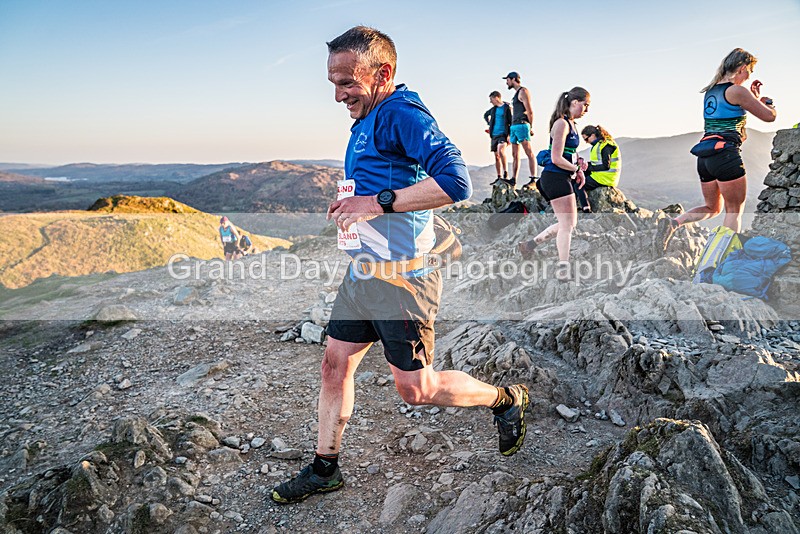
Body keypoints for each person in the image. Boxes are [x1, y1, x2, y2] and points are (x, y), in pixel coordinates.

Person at [271, 26, 530, 505]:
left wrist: (378, 202)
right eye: (333, 83)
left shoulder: (402, 113)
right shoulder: (369, 115)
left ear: (383, 73)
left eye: (347, 82)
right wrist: (352, 205)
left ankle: (505, 399)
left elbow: (456, 184)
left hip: (404, 279)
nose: (338, 95)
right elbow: (379, 185)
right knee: (334, 366)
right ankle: (325, 468)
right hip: (363, 273)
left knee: (416, 389)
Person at [657, 48, 776, 249]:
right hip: (725, 155)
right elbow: (769, 117)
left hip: (705, 157)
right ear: (743, 68)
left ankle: (674, 223)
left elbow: (735, 124)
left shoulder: (711, 92)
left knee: (713, 207)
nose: (748, 77)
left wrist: (753, 98)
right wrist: (768, 103)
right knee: (734, 211)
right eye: (749, 72)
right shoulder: (737, 90)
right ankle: (723, 256)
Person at [517, 87, 591, 280]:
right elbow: (556, 157)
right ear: (574, 102)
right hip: (554, 177)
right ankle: (563, 270)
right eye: (585, 105)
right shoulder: (561, 124)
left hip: (561, 177)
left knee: (567, 223)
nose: (586, 110)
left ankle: (529, 245)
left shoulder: (571, 124)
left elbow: (567, 153)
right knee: (567, 225)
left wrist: (579, 166)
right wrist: (576, 170)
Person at [572, 125, 621, 213]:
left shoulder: (606, 145)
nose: (586, 142)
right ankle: (573, 203)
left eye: (586, 139)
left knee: (578, 184)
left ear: (593, 135)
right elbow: (598, 162)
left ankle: (586, 208)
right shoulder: (599, 145)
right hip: (600, 174)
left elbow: (606, 166)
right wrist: (586, 165)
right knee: (577, 177)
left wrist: (589, 167)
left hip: (606, 177)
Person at [503, 72, 537, 188]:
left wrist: (530, 127)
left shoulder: (523, 91)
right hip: (514, 126)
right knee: (514, 154)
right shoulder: (516, 94)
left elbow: (530, 111)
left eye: (507, 80)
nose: (506, 82)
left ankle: (533, 179)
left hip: (522, 125)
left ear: (513, 79)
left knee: (529, 152)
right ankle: (513, 179)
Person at [483, 91, 512, 184]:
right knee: (496, 156)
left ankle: (506, 173)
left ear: (496, 98)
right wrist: (489, 124)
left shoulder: (507, 108)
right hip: (494, 134)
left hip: (503, 134)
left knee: (501, 151)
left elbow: (511, 121)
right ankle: (499, 176)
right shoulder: (493, 109)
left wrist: (510, 136)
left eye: (491, 99)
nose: (490, 101)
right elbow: (485, 115)